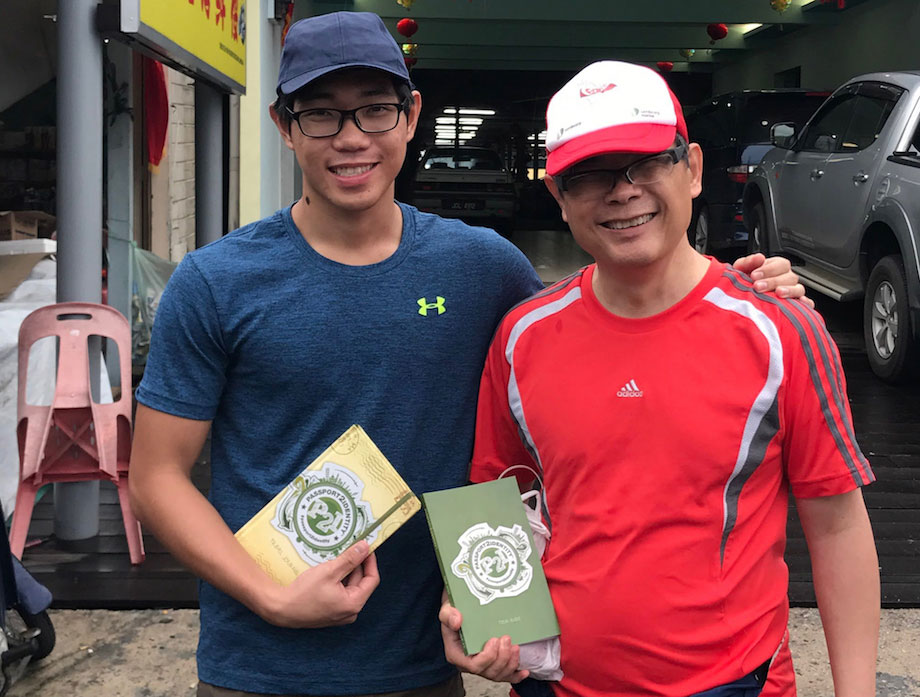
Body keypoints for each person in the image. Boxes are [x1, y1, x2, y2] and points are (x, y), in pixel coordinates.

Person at [128, 12, 809, 697]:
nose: (351, 137)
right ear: (284, 125)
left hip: (423, 662)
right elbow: (156, 477)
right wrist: (269, 597)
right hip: (259, 666)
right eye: (321, 115)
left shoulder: (482, 268)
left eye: (375, 109)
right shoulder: (216, 282)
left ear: (411, 115)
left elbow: (604, 319)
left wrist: (733, 289)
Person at [441, 60, 880, 697]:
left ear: (693, 169)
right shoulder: (522, 337)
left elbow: (837, 525)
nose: (622, 192)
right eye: (589, 175)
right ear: (558, 197)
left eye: (646, 163)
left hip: (731, 684)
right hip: (555, 684)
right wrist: (479, 617)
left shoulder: (781, 331)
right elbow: (495, 505)